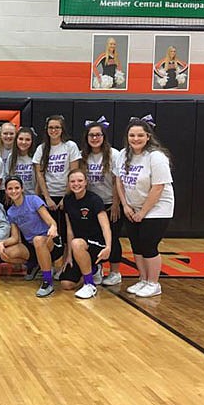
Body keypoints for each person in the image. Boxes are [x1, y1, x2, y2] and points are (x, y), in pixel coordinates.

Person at [114, 117, 174, 298]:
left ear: (148, 136)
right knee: (136, 245)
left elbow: (158, 187)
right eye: (132, 135)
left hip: (157, 208)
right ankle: (143, 279)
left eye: (140, 135)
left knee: (149, 245)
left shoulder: (156, 157)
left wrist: (143, 212)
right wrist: (125, 205)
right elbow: (119, 181)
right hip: (133, 207)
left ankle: (153, 283)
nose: (136, 139)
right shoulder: (124, 154)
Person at [0, 176, 62, 297]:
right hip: (32, 246)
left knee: (38, 240)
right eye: (10, 188)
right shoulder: (11, 212)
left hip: (49, 241)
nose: (13, 191)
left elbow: (51, 222)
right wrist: (1, 243)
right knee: (5, 253)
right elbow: (15, 238)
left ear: (22, 189)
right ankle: (36, 264)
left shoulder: (33, 200)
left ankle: (48, 282)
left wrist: (53, 227)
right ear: (6, 191)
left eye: (17, 188)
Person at [80, 117, 123, 286]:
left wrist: (115, 204)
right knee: (93, 238)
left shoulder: (114, 154)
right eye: (91, 135)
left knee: (112, 237)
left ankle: (115, 272)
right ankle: (97, 268)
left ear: (104, 136)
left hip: (109, 203)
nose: (95, 138)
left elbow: (116, 181)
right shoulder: (84, 155)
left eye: (98, 135)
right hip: (91, 203)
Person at [59, 169, 112, 299]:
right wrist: (69, 256)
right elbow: (69, 230)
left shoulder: (94, 200)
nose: (76, 184)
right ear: (69, 183)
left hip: (97, 245)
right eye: (73, 181)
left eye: (80, 181)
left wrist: (108, 247)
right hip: (79, 247)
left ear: (86, 182)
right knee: (66, 284)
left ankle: (90, 284)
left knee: (77, 243)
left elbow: (106, 227)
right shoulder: (68, 200)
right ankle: (93, 270)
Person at [33, 115, 80, 250]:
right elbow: (40, 175)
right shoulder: (41, 149)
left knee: (67, 232)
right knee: (50, 233)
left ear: (62, 129)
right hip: (49, 197)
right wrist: (47, 198)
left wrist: (65, 197)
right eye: (51, 127)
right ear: (46, 129)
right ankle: (51, 263)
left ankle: (67, 262)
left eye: (57, 127)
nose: (54, 130)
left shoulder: (70, 146)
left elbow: (74, 173)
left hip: (68, 194)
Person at [7, 126, 36, 195]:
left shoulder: (36, 156)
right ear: (16, 140)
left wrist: (36, 198)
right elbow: (8, 177)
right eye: (20, 139)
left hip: (32, 196)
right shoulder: (11, 157)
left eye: (27, 140)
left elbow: (39, 181)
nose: (23, 142)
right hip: (15, 196)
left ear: (32, 141)